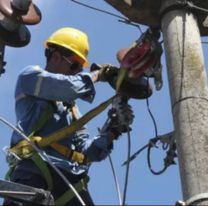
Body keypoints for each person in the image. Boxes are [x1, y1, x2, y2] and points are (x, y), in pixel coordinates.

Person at [3, 27, 134, 206]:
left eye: (80, 69)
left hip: (68, 179)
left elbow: (85, 152)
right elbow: (68, 88)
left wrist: (112, 129)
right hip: (35, 169)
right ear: (55, 56)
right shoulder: (30, 77)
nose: (77, 73)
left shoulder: (71, 111)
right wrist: (98, 75)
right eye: (74, 66)